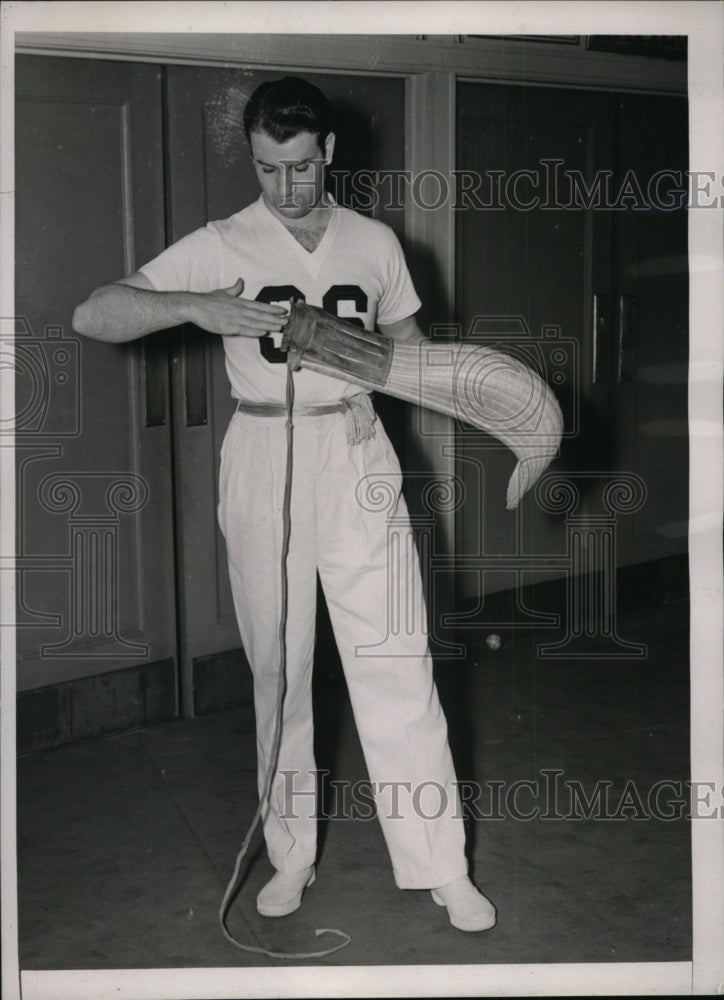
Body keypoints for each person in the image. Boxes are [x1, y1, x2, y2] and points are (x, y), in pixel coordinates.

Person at [73, 76, 496, 933]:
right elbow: (95, 313)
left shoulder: (376, 243)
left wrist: (489, 395)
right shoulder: (224, 238)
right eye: (269, 168)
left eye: (301, 168)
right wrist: (203, 306)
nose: (287, 188)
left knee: (397, 658)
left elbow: (412, 354)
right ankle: (292, 853)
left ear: (328, 153)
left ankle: (441, 865)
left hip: (356, 448)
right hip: (263, 455)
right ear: (254, 158)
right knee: (280, 666)